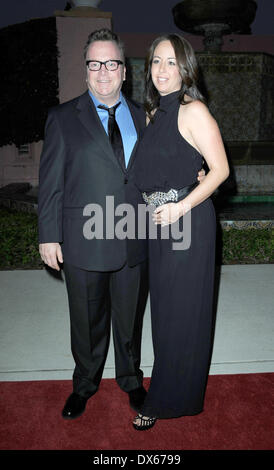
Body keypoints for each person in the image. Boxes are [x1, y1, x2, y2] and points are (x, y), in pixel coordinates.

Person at [38, 28, 205, 420]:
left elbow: (167, 160)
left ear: (124, 71)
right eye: (94, 64)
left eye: (110, 63)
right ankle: (85, 384)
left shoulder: (144, 116)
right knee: (86, 320)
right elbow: (50, 184)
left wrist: (194, 175)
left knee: (129, 321)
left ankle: (131, 379)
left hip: (134, 236)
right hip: (84, 240)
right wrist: (49, 236)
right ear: (86, 70)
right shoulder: (62, 118)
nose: (102, 72)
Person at [132, 34, 229, 430]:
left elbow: (220, 171)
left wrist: (181, 204)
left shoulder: (194, 111)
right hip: (160, 225)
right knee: (167, 314)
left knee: (181, 316)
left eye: (171, 62)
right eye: (156, 61)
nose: (162, 70)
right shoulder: (154, 114)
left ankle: (166, 400)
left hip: (188, 222)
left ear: (186, 68)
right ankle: (176, 391)